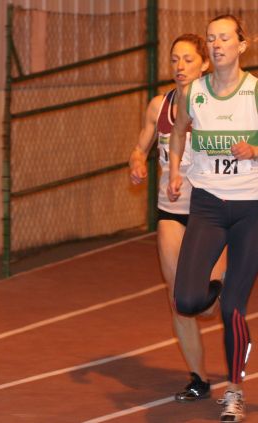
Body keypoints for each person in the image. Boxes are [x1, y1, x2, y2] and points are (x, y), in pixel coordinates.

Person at [168, 15, 258, 422]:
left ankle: (234, 392)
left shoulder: (255, 92)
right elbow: (180, 132)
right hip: (207, 204)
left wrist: (254, 150)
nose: (217, 44)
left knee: (233, 310)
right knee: (185, 299)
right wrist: (173, 170)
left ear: (243, 45)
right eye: (211, 39)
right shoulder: (194, 92)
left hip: (250, 208)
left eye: (225, 38)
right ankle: (221, 287)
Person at [129, 33, 226, 403]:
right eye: (174, 60)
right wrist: (137, 163)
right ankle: (198, 379)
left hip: (213, 211)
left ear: (204, 64)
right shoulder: (159, 106)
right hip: (172, 212)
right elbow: (139, 149)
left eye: (188, 59)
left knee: (207, 303)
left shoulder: (218, 108)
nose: (180, 67)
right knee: (179, 301)